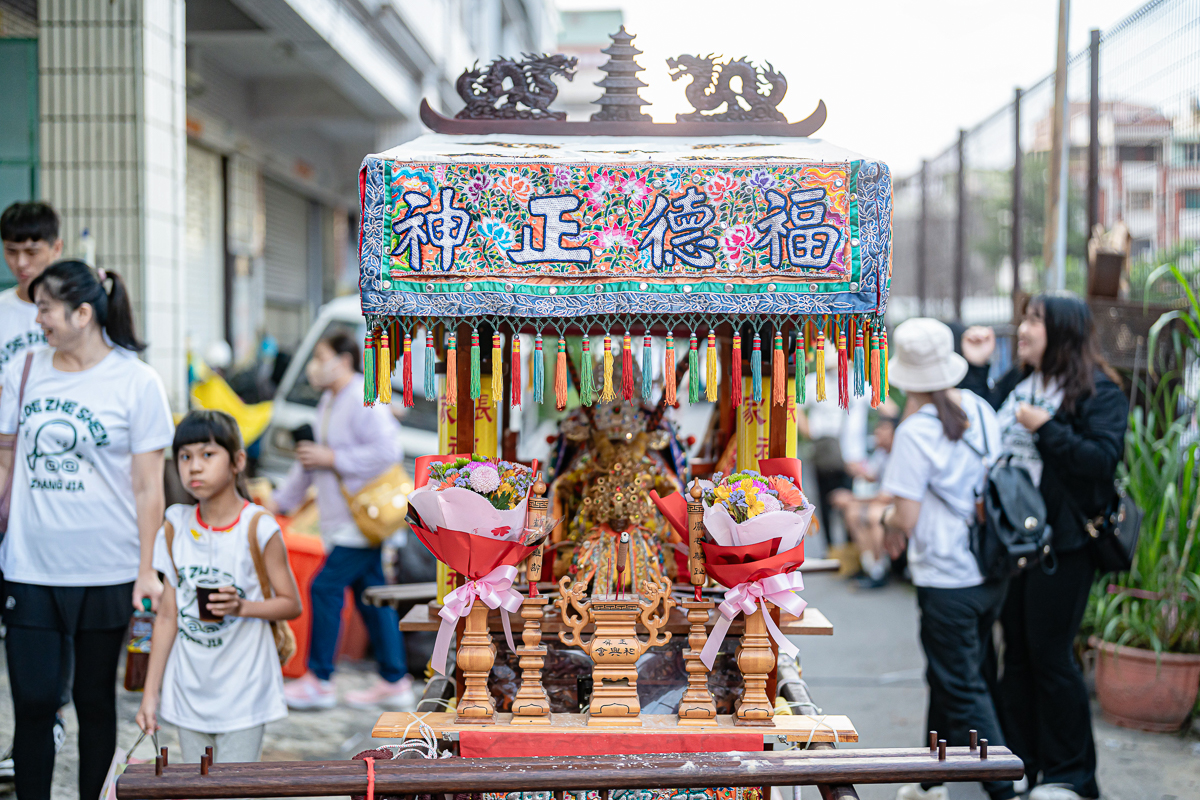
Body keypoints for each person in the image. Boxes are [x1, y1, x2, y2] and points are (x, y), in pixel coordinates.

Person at [0, 260, 173, 800]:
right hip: (29, 566)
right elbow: (4, 464)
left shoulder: (137, 381)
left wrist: (148, 569)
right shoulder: (23, 370)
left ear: (81, 312)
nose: (39, 320)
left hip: (108, 569)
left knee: (95, 702)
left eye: (46, 308)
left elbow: (149, 488)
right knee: (31, 702)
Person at [961, 295, 1125, 800]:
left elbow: (1101, 460)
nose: (1023, 328)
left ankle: (1072, 775)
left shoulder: (1099, 390)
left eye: (1035, 320)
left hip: (1065, 547)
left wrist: (1047, 427)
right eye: (1025, 318)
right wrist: (976, 368)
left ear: (1064, 331)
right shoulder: (1018, 384)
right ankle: (1023, 764)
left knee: (1052, 656)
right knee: (1021, 659)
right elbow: (978, 426)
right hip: (1012, 546)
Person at [876, 318, 1013, 800]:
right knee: (948, 676)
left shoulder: (915, 431)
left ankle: (1004, 789)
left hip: (946, 577)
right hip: (989, 571)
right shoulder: (978, 408)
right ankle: (930, 778)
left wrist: (886, 522)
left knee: (963, 686)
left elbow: (905, 518)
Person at [137, 410, 301, 763]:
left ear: (237, 461)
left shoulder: (257, 527)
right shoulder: (174, 525)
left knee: (234, 789)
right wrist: (151, 694)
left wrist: (242, 607)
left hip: (244, 691)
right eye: (185, 457)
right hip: (188, 691)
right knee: (198, 788)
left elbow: (291, 603)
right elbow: (167, 617)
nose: (194, 467)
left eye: (207, 455)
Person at [268, 331, 413, 710]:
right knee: (371, 597)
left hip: (359, 521)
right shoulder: (331, 400)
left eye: (321, 356)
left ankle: (320, 679)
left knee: (324, 587)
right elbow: (311, 462)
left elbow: (388, 451)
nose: (316, 366)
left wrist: (335, 458)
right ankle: (394, 679)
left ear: (344, 360)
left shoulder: (363, 398)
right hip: (350, 521)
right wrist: (281, 501)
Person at [0, 202, 69, 784]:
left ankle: (50, 712)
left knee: (61, 601)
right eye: (12, 252)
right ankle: (32, 715)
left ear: (55, 245)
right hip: (6, 476)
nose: (22, 263)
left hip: (57, 484)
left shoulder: (76, 307)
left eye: (32, 251)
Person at [796, 339, 869, 557]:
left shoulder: (858, 381)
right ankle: (831, 549)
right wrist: (811, 432)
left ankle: (851, 550)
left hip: (853, 454)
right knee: (826, 501)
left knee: (850, 500)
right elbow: (796, 407)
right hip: (826, 451)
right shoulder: (813, 381)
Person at [830, 408, 898, 589]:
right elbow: (871, 476)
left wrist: (851, 498)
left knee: (874, 515)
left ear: (894, 434)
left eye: (882, 429)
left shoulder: (899, 455)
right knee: (852, 513)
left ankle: (881, 569)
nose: (876, 433)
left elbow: (885, 497)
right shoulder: (882, 453)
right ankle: (870, 566)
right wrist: (856, 469)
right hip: (886, 501)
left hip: (899, 504)